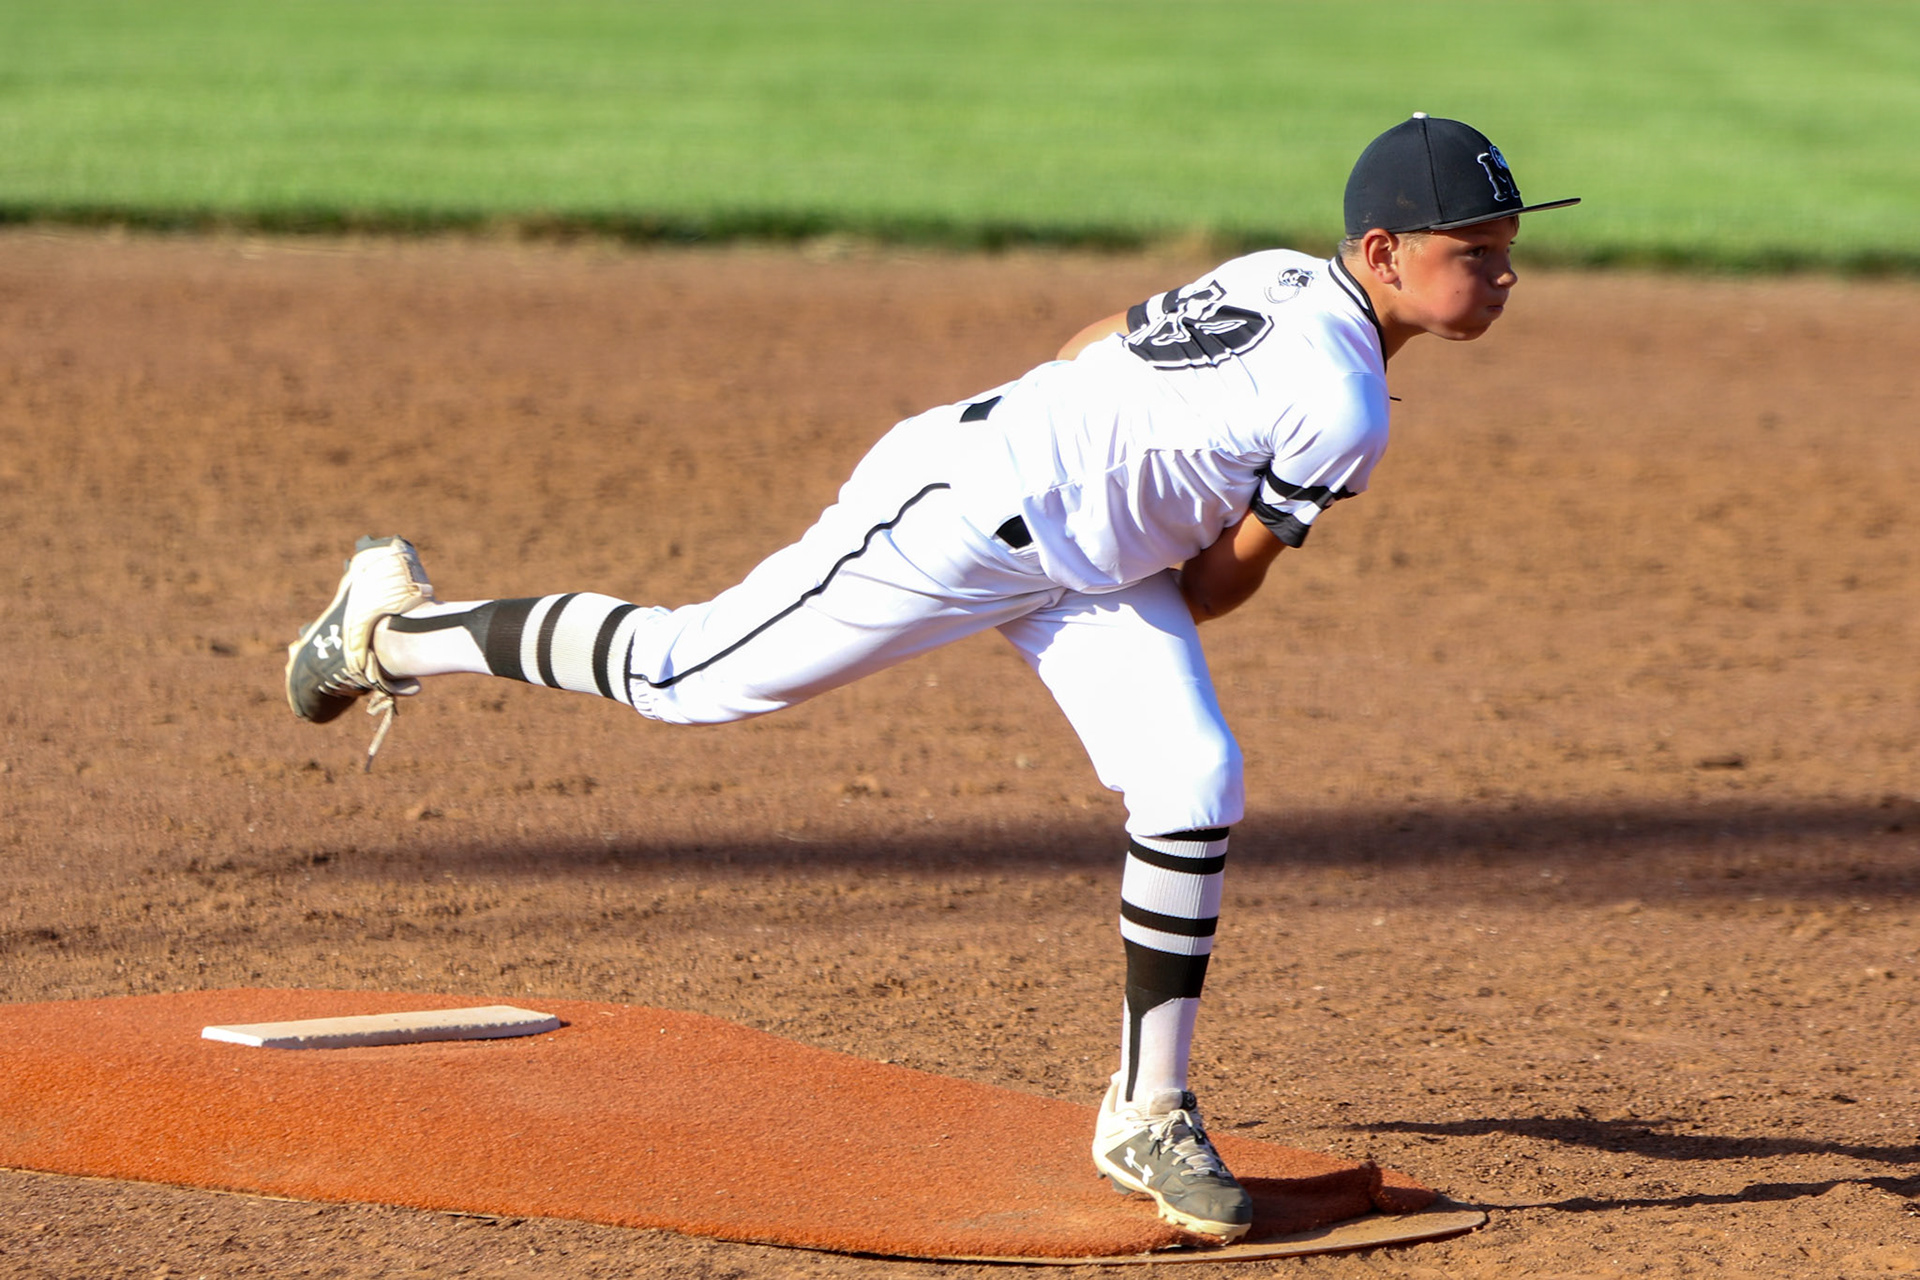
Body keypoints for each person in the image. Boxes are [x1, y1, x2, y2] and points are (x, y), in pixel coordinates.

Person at [285, 114, 1575, 1243]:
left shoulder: (1276, 275)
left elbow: (1091, 343)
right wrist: (1106, 510)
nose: (1504, 272)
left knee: (1193, 776)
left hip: (1079, 552)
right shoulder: (1348, 409)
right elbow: (1217, 589)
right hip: (958, 520)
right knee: (692, 675)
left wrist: (1112, 502)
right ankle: (395, 632)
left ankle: (1148, 1113)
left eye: (1508, 245)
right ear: (1383, 253)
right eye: (1475, 249)